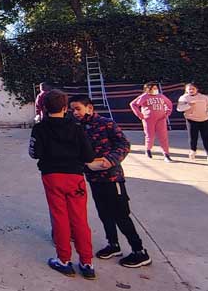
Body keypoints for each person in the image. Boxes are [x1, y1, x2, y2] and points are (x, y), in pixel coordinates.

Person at [70, 95, 152, 268]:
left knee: (121, 215)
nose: (75, 112)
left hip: (112, 178)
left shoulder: (106, 123)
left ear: (90, 108)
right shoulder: (77, 127)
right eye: (72, 109)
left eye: (78, 108)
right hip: (93, 177)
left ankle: (140, 251)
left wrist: (110, 159)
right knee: (104, 213)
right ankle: (113, 245)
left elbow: (124, 144)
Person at [29, 89, 97, 279]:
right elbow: (88, 155)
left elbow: (34, 152)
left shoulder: (40, 128)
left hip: (52, 176)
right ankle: (86, 262)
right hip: (75, 177)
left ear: (43, 107)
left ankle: (64, 260)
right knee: (80, 219)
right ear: (65, 107)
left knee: (59, 218)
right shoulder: (77, 127)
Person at [129, 82, 174, 162]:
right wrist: (140, 115)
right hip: (148, 119)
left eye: (156, 88)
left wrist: (167, 113)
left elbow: (169, 104)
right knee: (150, 136)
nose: (155, 90)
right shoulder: (144, 96)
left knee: (163, 136)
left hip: (161, 119)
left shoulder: (161, 96)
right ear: (147, 89)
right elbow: (133, 104)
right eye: (153, 88)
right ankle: (148, 149)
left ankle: (166, 154)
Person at [177, 83, 208, 163]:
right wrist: (189, 105)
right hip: (191, 120)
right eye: (189, 89)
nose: (191, 90)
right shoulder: (183, 98)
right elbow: (179, 108)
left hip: (204, 120)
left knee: (206, 138)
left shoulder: (204, 97)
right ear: (186, 90)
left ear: (197, 89)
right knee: (193, 138)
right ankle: (193, 151)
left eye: (193, 89)